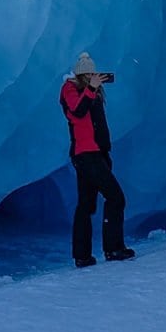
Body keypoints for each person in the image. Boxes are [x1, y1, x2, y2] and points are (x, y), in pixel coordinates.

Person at [59, 51, 136, 268]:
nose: (92, 77)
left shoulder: (92, 93)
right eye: (88, 74)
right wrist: (91, 89)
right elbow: (77, 111)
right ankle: (113, 248)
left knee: (86, 205)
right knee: (115, 197)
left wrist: (105, 152)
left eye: (93, 74)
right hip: (86, 155)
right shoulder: (70, 89)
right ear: (80, 75)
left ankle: (82, 256)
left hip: (97, 154)